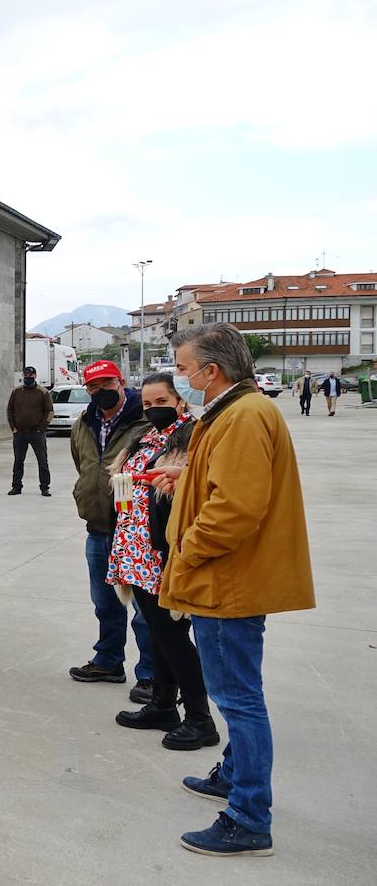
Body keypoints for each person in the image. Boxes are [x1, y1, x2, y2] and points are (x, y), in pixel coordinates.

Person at [154, 323, 314, 858]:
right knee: (238, 693)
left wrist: (187, 550)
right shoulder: (233, 412)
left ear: (211, 371)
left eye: (182, 368)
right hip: (228, 579)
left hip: (226, 581)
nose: (181, 379)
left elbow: (236, 509)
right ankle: (233, 776)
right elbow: (226, 484)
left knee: (239, 700)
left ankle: (248, 817)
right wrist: (186, 479)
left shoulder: (243, 416)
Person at [102, 374, 217, 750]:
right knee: (156, 631)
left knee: (172, 635)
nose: (155, 409)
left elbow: (197, 491)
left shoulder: (193, 436)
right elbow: (129, 483)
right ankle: (163, 704)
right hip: (135, 548)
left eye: (162, 401)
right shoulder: (144, 437)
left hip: (162, 551)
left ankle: (200, 719)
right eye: (149, 403)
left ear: (180, 400)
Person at [68, 359, 155, 702]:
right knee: (105, 603)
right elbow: (84, 464)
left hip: (136, 531)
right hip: (98, 527)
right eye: (93, 386)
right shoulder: (84, 422)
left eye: (107, 383)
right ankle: (108, 661)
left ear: (121, 382)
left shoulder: (145, 421)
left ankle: (149, 674)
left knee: (146, 611)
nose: (100, 391)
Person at [6, 366, 53, 497]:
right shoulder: (16, 392)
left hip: (37, 433)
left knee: (42, 461)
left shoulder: (42, 392)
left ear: (35, 376)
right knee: (18, 461)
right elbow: (9, 410)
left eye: (30, 376)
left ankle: (45, 487)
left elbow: (49, 412)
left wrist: (42, 428)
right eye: (25, 376)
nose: (27, 378)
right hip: (20, 432)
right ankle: (16, 486)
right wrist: (13, 428)